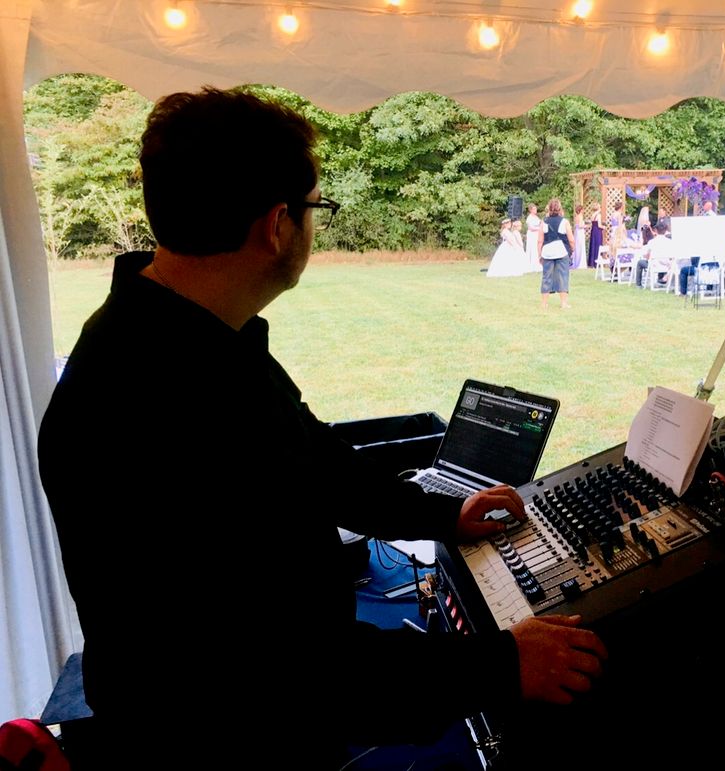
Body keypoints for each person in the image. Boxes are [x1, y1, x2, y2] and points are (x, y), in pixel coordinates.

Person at [36, 87, 607, 770]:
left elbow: (315, 460)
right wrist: (498, 663)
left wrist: (444, 513)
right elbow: (286, 664)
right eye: (315, 209)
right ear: (278, 224)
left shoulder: (181, 338)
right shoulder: (168, 399)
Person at [539, 197, 575, 308]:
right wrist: (572, 250)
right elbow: (571, 239)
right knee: (563, 276)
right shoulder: (564, 222)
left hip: (547, 252)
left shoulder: (543, 222)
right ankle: (564, 303)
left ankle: (544, 303)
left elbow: (540, 240)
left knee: (546, 277)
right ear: (560, 208)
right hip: (561, 251)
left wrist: (539, 254)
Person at [525, 203, 543, 272]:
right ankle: (532, 264)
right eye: (534, 209)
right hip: (532, 235)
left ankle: (538, 262)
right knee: (533, 248)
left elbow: (540, 223)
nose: (536, 210)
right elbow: (531, 228)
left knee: (537, 247)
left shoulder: (536, 217)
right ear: (531, 210)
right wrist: (539, 229)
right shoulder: (529, 218)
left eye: (536, 209)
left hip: (536, 234)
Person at [572, 203, 587, 268]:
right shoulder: (580, 217)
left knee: (577, 247)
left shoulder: (576, 217)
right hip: (580, 233)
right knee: (580, 247)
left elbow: (576, 226)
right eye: (582, 210)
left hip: (577, 232)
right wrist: (586, 226)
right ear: (581, 210)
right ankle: (581, 263)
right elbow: (580, 226)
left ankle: (576, 261)